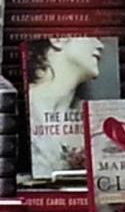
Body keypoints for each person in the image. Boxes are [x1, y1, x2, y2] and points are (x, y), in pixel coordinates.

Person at [25, 37, 106, 177]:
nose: (100, 45)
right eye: (91, 35)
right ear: (57, 39)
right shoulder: (24, 107)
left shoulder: (94, 121)